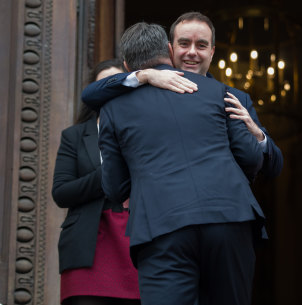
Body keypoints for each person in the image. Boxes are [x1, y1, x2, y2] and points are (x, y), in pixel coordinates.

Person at [98, 22, 265, 305]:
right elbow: (250, 158)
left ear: (127, 66)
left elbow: (114, 187)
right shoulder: (220, 92)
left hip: (161, 225)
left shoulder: (113, 109)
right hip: (229, 216)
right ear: (168, 50)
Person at [81, 11, 282, 181]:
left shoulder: (234, 97)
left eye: (201, 46)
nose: (192, 52)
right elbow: (91, 94)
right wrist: (144, 76)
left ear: (212, 52)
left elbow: (273, 168)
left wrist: (257, 134)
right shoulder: (143, 93)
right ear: (170, 48)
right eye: (184, 44)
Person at [51, 59, 140, 305]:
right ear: (94, 92)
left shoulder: (146, 131)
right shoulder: (75, 136)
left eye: (118, 83)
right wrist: (109, 172)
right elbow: (61, 192)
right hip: (88, 246)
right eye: (104, 85)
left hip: (137, 243)